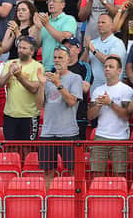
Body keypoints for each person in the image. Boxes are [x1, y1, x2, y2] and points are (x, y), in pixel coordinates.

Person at [36, 45, 83, 188]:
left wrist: (58, 84)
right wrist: (42, 85)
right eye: (55, 57)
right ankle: (49, 203)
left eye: (60, 57)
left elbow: (71, 101)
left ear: (68, 60)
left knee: (72, 170)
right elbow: (39, 106)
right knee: (48, 171)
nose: (57, 60)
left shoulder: (75, 78)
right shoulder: (47, 78)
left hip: (68, 132)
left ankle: (72, 202)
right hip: (48, 132)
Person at [88, 55, 133, 176]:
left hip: (120, 138)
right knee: (96, 175)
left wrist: (110, 103)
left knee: (120, 175)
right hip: (100, 136)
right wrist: (98, 105)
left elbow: (126, 115)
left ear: (119, 71)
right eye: (105, 67)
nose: (107, 69)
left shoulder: (126, 90)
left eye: (111, 67)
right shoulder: (97, 90)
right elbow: (90, 116)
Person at [0, 36, 42, 141]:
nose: (20, 50)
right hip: (10, 114)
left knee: (27, 148)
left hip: (29, 116)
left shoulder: (38, 67)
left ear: (32, 51)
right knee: (10, 147)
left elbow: (34, 88)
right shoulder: (9, 63)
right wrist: (8, 74)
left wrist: (19, 76)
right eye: (19, 47)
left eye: (24, 48)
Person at [85, 14, 127, 92]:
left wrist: (92, 49)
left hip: (113, 89)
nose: (100, 25)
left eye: (103, 22)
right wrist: (87, 50)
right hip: (94, 89)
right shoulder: (93, 42)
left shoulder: (117, 43)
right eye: (98, 22)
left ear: (111, 25)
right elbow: (84, 64)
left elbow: (110, 62)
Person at [61, 36, 93, 139]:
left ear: (78, 49)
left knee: (77, 152)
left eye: (70, 46)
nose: (66, 49)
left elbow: (85, 88)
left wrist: (61, 84)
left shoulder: (84, 67)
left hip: (78, 115)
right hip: (60, 116)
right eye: (64, 47)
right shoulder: (56, 67)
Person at [37, 0, 77, 71]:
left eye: (54, 1)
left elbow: (64, 39)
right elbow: (37, 45)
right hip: (45, 67)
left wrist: (46, 25)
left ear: (63, 5)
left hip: (62, 67)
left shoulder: (69, 19)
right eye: (49, 1)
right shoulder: (45, 21)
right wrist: (37, 28)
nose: (51, 3)